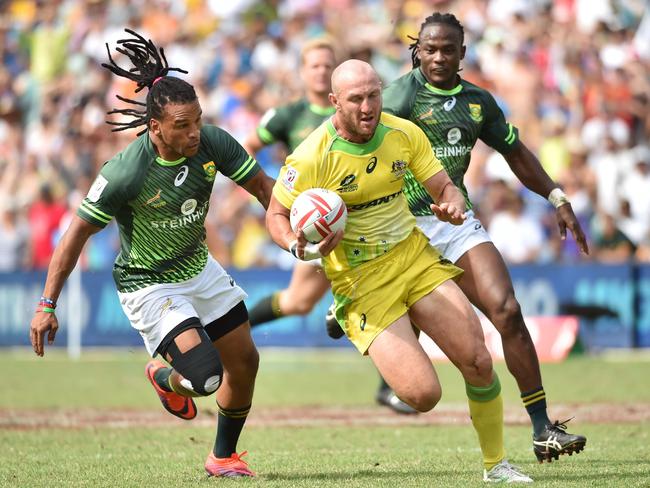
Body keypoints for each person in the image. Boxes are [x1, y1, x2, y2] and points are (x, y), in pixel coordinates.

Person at [266, 59, 533, 483]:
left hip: (414, 258)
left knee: (479, 360)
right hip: (361, 280)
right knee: (422, 395)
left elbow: (444, 186)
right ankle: (356, 314)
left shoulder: (403, 134)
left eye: (374, 95)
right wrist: (296, 246)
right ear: (335, 102)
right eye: (356, 98)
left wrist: (453, 202)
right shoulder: (313, 154)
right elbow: (276, 214)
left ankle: (496, 465)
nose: (368, 105)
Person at [28, 29, 275, 478]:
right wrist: (47, 304)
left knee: (246, 362)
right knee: (206, 377)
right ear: (155, 128)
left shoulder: (213, 142)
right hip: (150, 284)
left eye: (197, 120)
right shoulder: (125, 172)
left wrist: (290, 222)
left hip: (200, 268)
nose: (195, 132)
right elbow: (74, 236)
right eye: (183, 126)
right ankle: (164, 378)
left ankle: (222, 457)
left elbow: (263, 189)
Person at [380, 12, 588, 462]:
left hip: (454, 221)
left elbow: (515, 151)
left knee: (508, 312)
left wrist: (556, 197)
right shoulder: (398, 98)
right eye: (429, 49)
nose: (437, 57)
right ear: (417, 51)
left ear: (462, 54)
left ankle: (541, 429)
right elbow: (364, 152)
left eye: (447, 49)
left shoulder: (477, 102)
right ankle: (354, 299)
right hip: (401, 225)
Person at [244, 38, 416, 414]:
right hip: (319, 229)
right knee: (297, 302)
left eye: (327, 65)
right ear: (303, 72)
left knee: (405, 292)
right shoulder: (287, 117)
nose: (321, 71)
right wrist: (272, 191)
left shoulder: (371, 115)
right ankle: (230, 329)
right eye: (314, 65)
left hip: (371, 229)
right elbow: (246, 149)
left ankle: (390, 387)